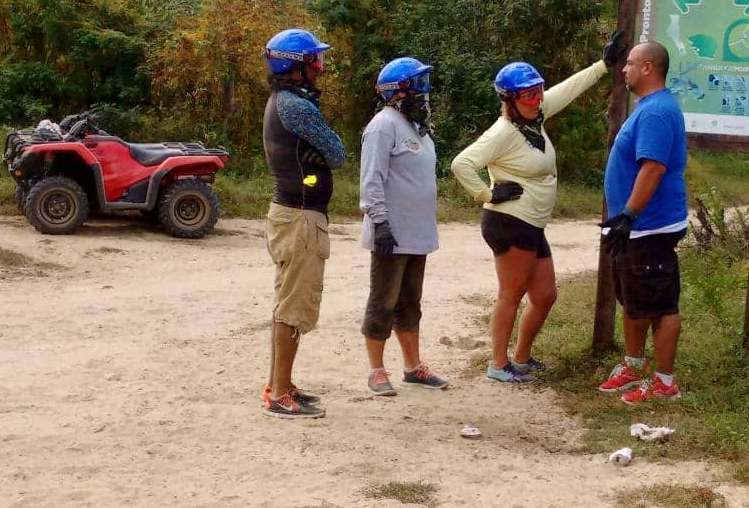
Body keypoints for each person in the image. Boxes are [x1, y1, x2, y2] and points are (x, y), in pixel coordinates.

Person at [451, 33, 628, 383]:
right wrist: (487, 194)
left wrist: (603, 65)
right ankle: (498, 365)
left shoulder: (534, 117)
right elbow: (462, 163)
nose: (536, 99)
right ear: (509, 100)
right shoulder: (503, 131)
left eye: (537, 91)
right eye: (528, 95)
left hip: (532, 222)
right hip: (509, 220)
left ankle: (522, 356)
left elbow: (567, 89)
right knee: (512, 294)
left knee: (545, 295)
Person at [260, 28, 346, 418]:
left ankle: (281, 384)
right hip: (300, 218)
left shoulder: (283, 100)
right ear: (297, 66)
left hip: (290, 214)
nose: (321, 68)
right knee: (294, 307)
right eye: (316, 61)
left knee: (285, 304)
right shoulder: (296, 106)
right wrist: (323, 152)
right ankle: (280, 394)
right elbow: (337, 151)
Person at [598, 41, 688, 404]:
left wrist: (629, 215)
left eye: (630, 63)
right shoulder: (647, 108)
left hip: (649, 225)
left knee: (661, 303)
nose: (624, 69)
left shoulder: (656, 112)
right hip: (633, 226)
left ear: (648, 68)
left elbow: (653, 168)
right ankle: (634, 364)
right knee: (633, 297)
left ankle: (665, 381)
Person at [359, 57, 449, 396]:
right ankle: (377, 370)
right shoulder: (383, 126)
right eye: (419, 86)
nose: (425, 94)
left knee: (410, 302)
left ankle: (413, 367)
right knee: (383, 300)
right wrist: (380, 222)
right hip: (390, 233)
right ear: (398, 92)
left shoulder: (418, 129)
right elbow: (372, 180)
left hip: (417, 234)